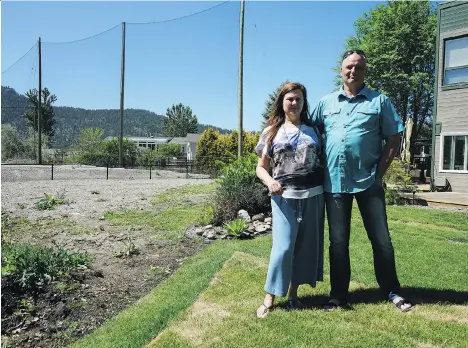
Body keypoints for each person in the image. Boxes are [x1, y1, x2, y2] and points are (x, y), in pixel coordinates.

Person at [310, 49, 414, 312]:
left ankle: (392, 291)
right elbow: (311, 134)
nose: (353, 71)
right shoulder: (326, 103)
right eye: (348, 67)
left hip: (369, 182)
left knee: (381, 240)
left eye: (358, 67)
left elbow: (394, 137)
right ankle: (338, 296)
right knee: (338, 242)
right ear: (341, 70)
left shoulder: (379, 101)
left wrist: (379, 172)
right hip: (334, 182)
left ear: (365, 71)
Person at [254, 81, 325, 318]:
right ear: (282, 102)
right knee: (283, 248)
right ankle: (270, 297)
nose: (294, 103)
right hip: (284, 198)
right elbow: (261, 168)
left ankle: (293, 295)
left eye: (298, 99)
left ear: (304, 103)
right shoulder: (271, 132)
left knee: (304, 247)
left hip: (313, 196)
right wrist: (269, 182)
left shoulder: (314, 131)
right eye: (290, 99)